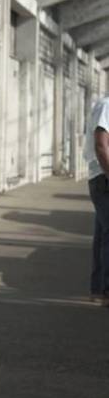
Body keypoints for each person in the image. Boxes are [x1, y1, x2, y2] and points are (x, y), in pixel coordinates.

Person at [84, 95, 109, 307]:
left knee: (103, 235)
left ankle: (98, 290)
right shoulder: (108, 106)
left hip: (101, 178)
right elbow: (101, 145)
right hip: (104, 178)